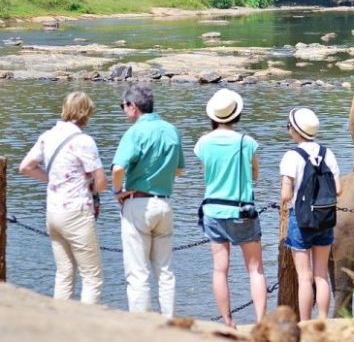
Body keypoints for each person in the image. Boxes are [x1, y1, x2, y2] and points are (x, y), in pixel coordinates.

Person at [20, 91, 107, 304]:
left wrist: (52, 179)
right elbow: (101, 182)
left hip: (53, 212)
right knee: (92, 276)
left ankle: (60, 325)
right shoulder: (84, 141)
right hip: (77, 212)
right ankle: (86, 328)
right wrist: (91, 187)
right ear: (86, 112)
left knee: (64, 273)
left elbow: (25, 167)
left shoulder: (47, 136)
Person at [195, 89, 267, 327]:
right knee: (255, 270)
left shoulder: (203, 142)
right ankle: (260, 321)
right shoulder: (247, 142)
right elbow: (255, 174)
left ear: (213, 116)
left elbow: (205, 172)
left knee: (219, 270)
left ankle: (227, 320)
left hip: (213, 211)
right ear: (236, 115)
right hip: (242, 211)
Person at [112, 85, 184, 317]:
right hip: (164, 203)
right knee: (165, 271)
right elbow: (179, 170)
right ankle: (169, 320)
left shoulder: (134, 132)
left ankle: (141, 326)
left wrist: (117, 192)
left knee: (138, 272)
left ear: (133, 107)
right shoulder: (171, 129)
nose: (123, 110)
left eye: (123, 106)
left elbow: (118, 168)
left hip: (138, 203)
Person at [280, 107, 341, 321]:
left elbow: (286, 194)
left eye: (289, 126)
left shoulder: (292, 156)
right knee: (321, 275)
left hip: (302, 220)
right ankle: (323, 319)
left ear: (296, 131)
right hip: (325, 219)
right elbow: (338, 189)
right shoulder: (328, 153)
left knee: (304, 278)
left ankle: (305, 323)